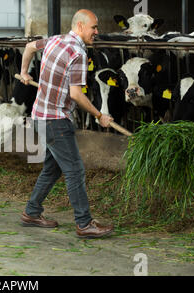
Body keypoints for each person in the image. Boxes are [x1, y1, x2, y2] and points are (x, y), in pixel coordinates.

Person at [19, 9, 114, 238]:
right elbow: (76, 95)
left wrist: (24, 71)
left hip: (39, 116)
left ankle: (32, 212)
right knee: (75, 170)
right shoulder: (79, 53)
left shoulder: (55, 40)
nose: (96, 32)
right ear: (80, 26)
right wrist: (100, 115)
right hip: (56, 121)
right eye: (93, 27)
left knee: (52, 169)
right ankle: (84, 223)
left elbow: (30, 47)